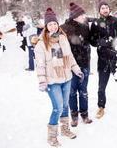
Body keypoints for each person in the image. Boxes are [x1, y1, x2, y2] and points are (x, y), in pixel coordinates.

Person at [34, 8, 83, 146]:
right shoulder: (41, 44)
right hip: (52, 81)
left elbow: (70, 56)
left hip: (66, 78)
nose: (53, 26)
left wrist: (76, 70)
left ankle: (65, 130)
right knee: (58, 108)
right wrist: (42, 80)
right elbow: (40, 64)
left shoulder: (62, 38)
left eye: (55, 23)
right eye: (50, 24)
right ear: (46, 26)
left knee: (65, 105)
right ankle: (52, 137)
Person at [61, 3, 92, 126]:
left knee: (83, 91)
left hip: (84, 64)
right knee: (72, 92)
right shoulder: (63, 28)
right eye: (82, 14)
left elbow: (90, 41)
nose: (84, 16)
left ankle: (84, 114)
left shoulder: (85, 26)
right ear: (75, 16)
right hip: (70, 66)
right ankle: (74, 115)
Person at [90, 0, 117, 119]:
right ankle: (101, 107)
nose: (105, 10)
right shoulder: (95, 23)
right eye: (102, 8)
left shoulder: (116, 21)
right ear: (99, 10)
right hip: (102, 58)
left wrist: (115, 42)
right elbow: (91, 41)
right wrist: (100, 42)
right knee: (101, 85)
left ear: (109, 9)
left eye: (106, 7)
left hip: (116, 57)